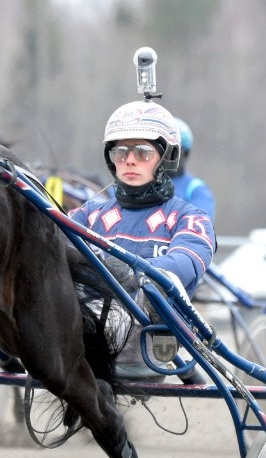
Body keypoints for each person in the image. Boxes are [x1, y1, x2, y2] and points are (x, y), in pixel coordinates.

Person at [69, 100, 217, 380]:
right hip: (83, 330)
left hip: (146, 337)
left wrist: (129, 272)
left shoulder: (189, 216)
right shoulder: (90, 214)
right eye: (120, 152)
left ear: (166, 158)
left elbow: (187, 260)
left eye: (143, 152)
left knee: (159, 283)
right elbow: (54, 245)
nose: (130, 160)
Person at [170, 118, 216, 222]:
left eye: (173, 151)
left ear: (186, 154)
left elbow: (197, 226)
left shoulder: (196, 190)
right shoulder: (141, 182)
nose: (165, 156)